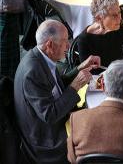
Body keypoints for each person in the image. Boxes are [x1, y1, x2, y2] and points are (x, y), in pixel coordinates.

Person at [14, 20, 101, 163]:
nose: (68, 46)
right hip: (46, 140)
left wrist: (80, 67)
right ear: (50, 44)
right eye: (65, 41)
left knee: (96, 113)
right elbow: (49, 115)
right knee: (97, 132)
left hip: (52, 122)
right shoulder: (32, 72)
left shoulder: (42, 56)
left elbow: (57, 85)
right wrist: (75, 85)